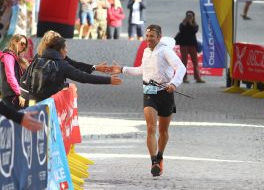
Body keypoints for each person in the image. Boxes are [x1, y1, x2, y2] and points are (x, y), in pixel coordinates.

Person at [111, 24, 186, 176]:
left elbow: (181, 68)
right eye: (147, 36)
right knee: (151, 128)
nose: (149, 39)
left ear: (159, 37)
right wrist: (122, 69)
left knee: (163, 131)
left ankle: (160, 156)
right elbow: (141, 70)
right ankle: (154, 162)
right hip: (149, 91)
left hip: (165, 92)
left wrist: (173, 83)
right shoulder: (146, 52)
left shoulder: (165, 51)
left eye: (152, 36)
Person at [21, 36, 122, 102]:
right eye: (66, 48)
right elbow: (83, 77)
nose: (67, 51)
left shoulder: (37, 59)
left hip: (33, 102)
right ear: (60, 49)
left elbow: (24, 79)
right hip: (50, 103)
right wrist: (108, 80)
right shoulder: (62, 64)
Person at [0, 34, 28, 110]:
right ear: (14, 42)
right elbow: (10, 77)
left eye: (25, 45)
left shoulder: (14, 57)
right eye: (22, 43)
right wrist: (19, 93)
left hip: (13, 94)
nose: (24, 46)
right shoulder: (9, 56)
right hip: (12, 95)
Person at [176, 11, 205, 83]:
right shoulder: (182, 24)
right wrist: (185, 23)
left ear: (193, 17)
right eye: (188, 16)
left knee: (195, 62)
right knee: (184, 62)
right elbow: (181, 30)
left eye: (191, 16)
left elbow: (194, 31)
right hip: (183, 45)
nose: (189, 18)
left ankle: (198, 78)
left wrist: (191, 23)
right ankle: (184, 78)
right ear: (186, 16)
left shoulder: (195, 25)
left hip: (192, 45)